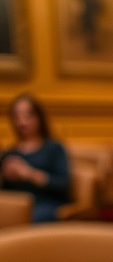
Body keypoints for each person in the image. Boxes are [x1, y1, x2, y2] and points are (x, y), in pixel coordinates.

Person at [0, 93, 71, 223]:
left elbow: (63, 185)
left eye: (27, 116)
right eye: (16, 117)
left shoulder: (54, 148)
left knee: (26, 219)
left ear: (38, 117)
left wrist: (29, 174)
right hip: (15, 206)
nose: (22, 122)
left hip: (45, 204)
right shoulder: (10, 153)